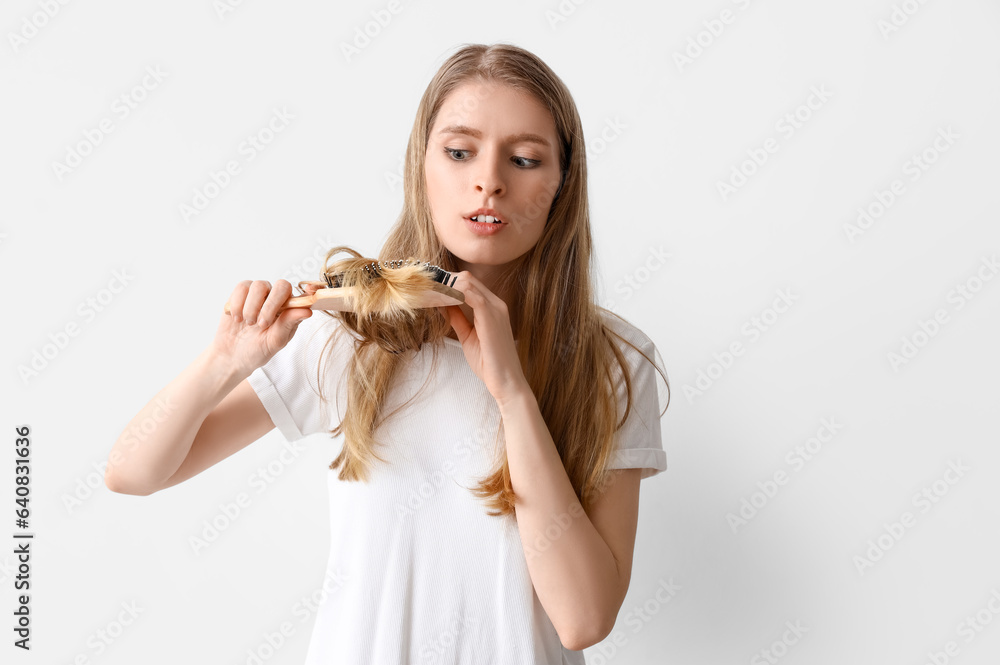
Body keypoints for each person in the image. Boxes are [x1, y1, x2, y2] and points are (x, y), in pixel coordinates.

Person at [105, 42, 669, 664]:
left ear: (562, 182)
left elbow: (584, 618)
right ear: (421, 167)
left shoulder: (613, 359)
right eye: (459, 152)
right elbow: (133, 473)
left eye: (526, 158)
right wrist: (226, 360)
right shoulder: (349, 335)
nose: (489, 180)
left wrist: (513, 393)